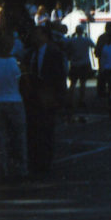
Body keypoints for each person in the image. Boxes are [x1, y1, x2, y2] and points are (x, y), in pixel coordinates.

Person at [24, 26, 66, 173]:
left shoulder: (54, 52)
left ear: (45, 36)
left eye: (37, 34)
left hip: (48, 96)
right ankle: (35, 161)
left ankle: (45, 163)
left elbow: (60, 76)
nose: (34, 37)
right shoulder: (30, 53)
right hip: (32, 97)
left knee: (46, 130)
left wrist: (59, 97)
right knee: (33, 131)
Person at [0, 34, 27, 183]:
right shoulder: (14, 62)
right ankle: (22, 167)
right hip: (14, 100)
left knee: (0, 138)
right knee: (19, 135)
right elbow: (20, 79)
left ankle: (3, 168)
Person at [65, 24, 96, 112]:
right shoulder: (86, 40)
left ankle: (70, 101)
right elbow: (94, 46)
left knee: (72, 83)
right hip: (84, 63)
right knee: (83, 83)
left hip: (74, 63)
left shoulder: (72, 40)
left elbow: (67, 49)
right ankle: (81, 100)